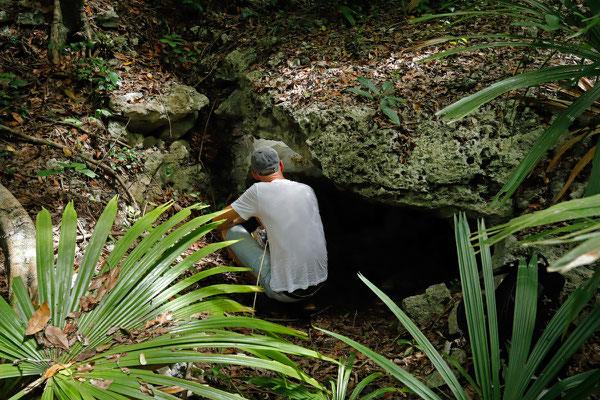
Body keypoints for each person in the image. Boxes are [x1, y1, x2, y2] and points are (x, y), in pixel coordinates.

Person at [214, 146, 327, 302]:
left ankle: (257, 287)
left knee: (229, 231)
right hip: (320, 282)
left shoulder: (258, 191)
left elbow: (216, 221)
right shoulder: (307, 190)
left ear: (254, 174)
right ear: (281, 165)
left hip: (287, 293)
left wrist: (240, 218)